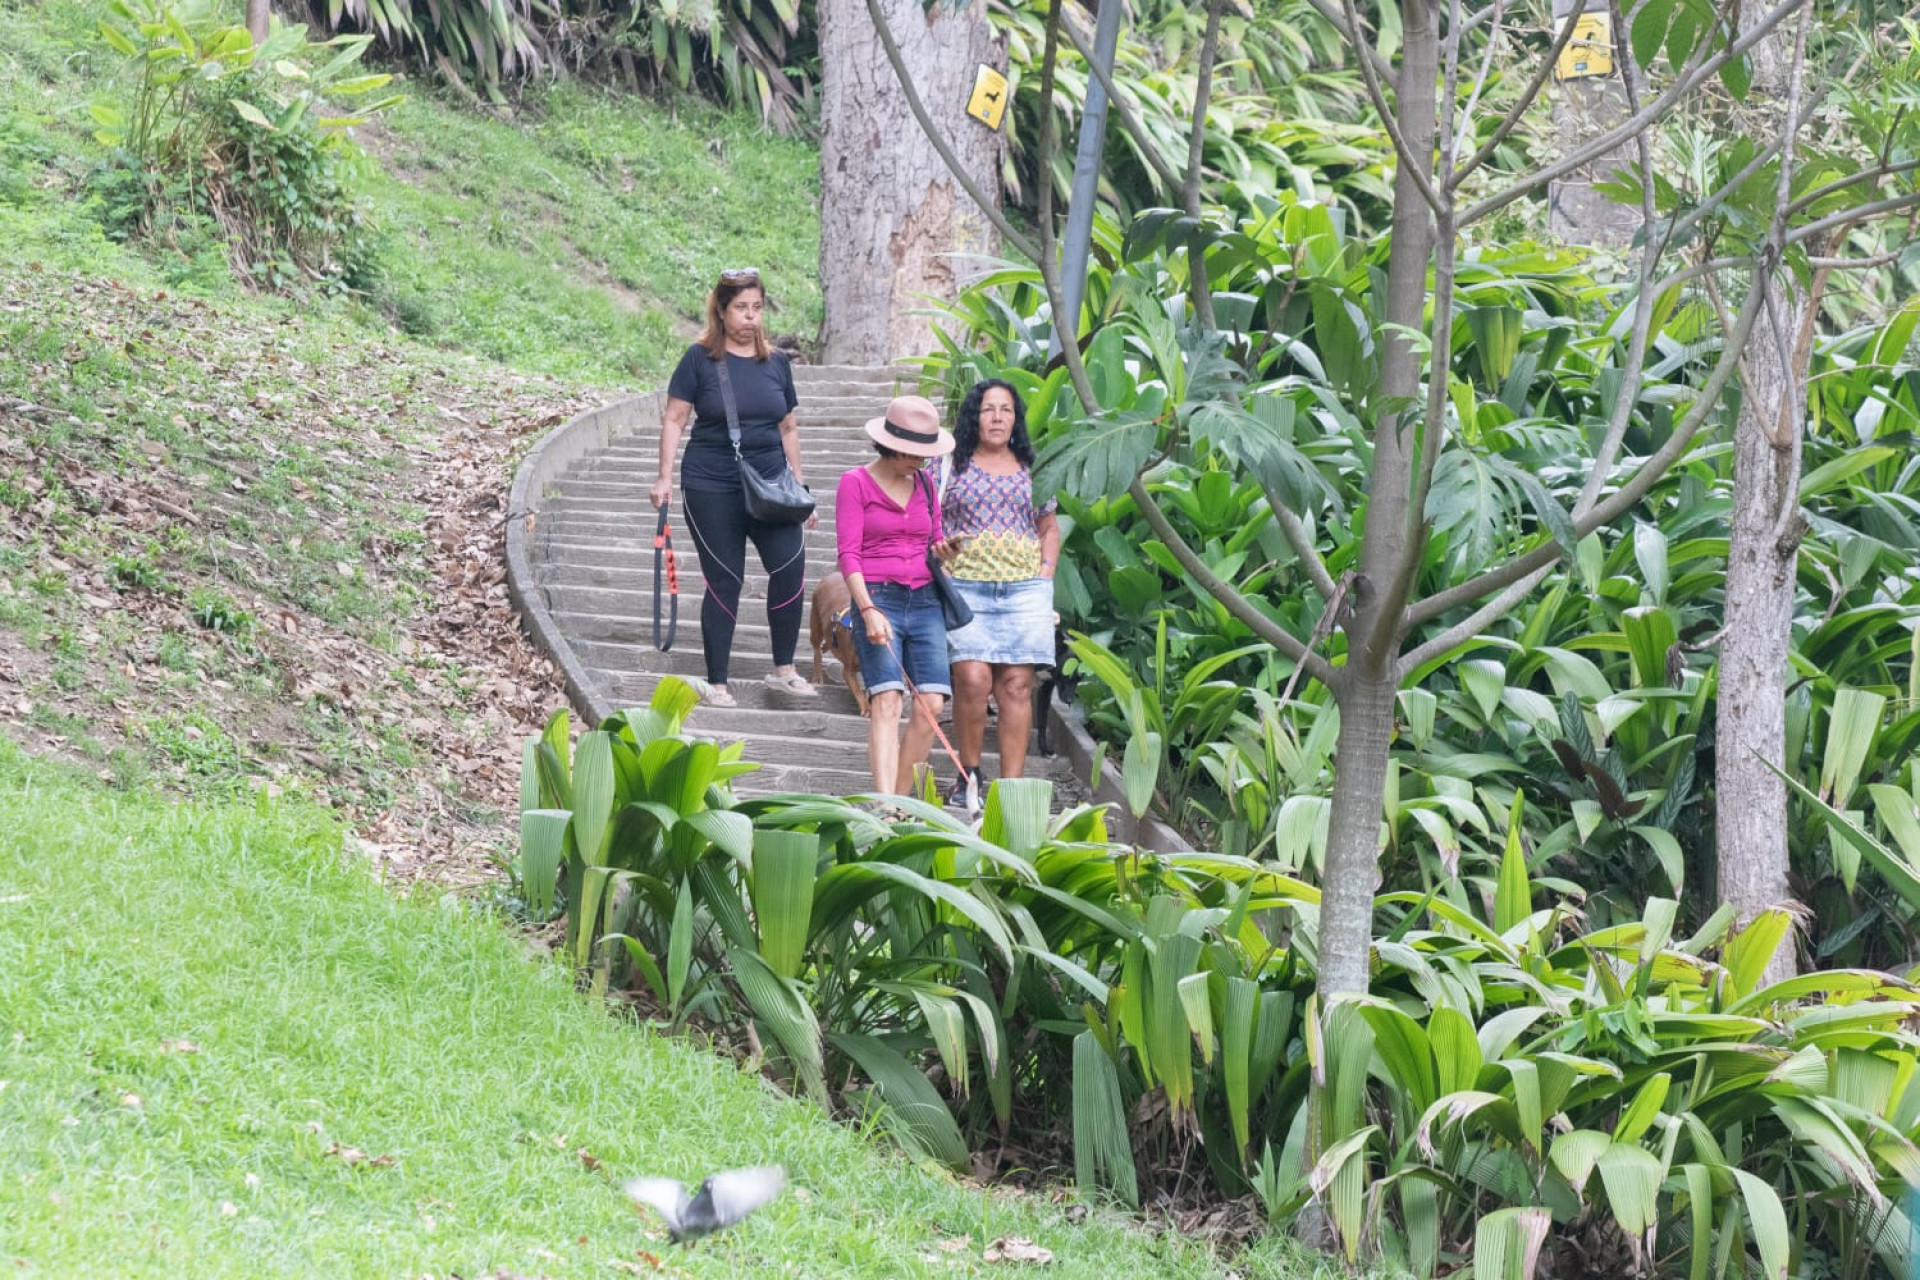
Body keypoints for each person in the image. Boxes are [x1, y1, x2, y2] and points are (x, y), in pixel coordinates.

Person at [650, 268, 819, 708]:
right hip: (712, 483)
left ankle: (784, 669)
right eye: (741, 308)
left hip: (771, 484)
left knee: (789, 567)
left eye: (757, 308)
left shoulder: (777, 363)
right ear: (721, 312)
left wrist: (799, 487)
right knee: (726, 578)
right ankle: (718, 681)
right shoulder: (699, 359)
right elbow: (674, 418)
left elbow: (788, 426)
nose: (750, 318)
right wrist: (664, 477)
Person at [836, 395, 966, 796]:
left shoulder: (925, 484)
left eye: (926, 455)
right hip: (877, 595)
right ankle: (885, 805)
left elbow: (935, 540)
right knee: (888, 699)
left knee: (932, 704)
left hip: (925, 598)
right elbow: (848, 555)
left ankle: (902, 800)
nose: (922, 463)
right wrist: (868, 609)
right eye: (914, 454)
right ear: (891, 445)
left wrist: (948, 551)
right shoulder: (854, 483)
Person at [938, 379, 1060, 805]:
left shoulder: (1034, 467)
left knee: (1016, 686)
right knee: (971, 679)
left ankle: (1011, 793)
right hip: (965, 587)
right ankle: (967, 778)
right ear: (975, 415)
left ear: (1016, 418)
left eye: (1006, 410)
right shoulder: (950, 464)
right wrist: (939, 550)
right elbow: (929, 520)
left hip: (1025, 590)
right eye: (988, 409)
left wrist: (1045, 575)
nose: (997, 417)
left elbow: (1048, 528)